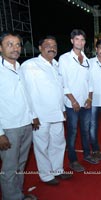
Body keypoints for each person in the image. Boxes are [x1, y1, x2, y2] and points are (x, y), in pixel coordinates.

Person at [20, 35, 72, 185]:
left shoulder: (55, 65)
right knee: (42, 146)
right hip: (40, 115)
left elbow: (59, 90)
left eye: (54, 45)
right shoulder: (30, 65)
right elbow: (25, 92)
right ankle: (46, 175)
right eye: (48, 45)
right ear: (40, 48)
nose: (52, 47)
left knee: (58, 143)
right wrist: (32, 115)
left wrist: (62, 109)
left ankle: (57, 170)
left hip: (57, 113)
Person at [0, 32, 37, 200]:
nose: (15, 48)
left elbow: (26, 95)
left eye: (17, 45)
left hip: (25, 124)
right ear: (0, 48)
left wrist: (33, 116)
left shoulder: (20, 68)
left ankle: (18, 194)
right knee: (9, 167)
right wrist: (0, 133)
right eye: (9, 44)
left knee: (21, 164)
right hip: (9, 128)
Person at [59, 29, 98, 172]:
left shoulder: (87, 59)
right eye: (77, 39)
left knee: (86, 131)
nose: (80, 42)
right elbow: (63, 83)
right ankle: (73, 160)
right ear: (71, 41)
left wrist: (89, 98)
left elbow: (90, 82)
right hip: (72, 105)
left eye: (82, 40)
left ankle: (87, 155)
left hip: (85, 103)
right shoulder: (64, 59)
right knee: (72, 132)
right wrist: (73, 101)